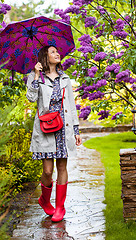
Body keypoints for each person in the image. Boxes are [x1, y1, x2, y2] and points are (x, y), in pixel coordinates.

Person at [26, 45, 82, 222]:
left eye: (57, 51)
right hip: (46, 129)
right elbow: (31, 98)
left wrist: (76, 130)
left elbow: (71, 106)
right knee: (48, 171)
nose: (57, 54)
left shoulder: (65, 78)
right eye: (52, 52)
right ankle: (44, 199)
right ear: (45, 56)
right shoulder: (35, 76)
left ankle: (60, 207)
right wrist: (36, 75)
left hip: (63, 128)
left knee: (62, 167)